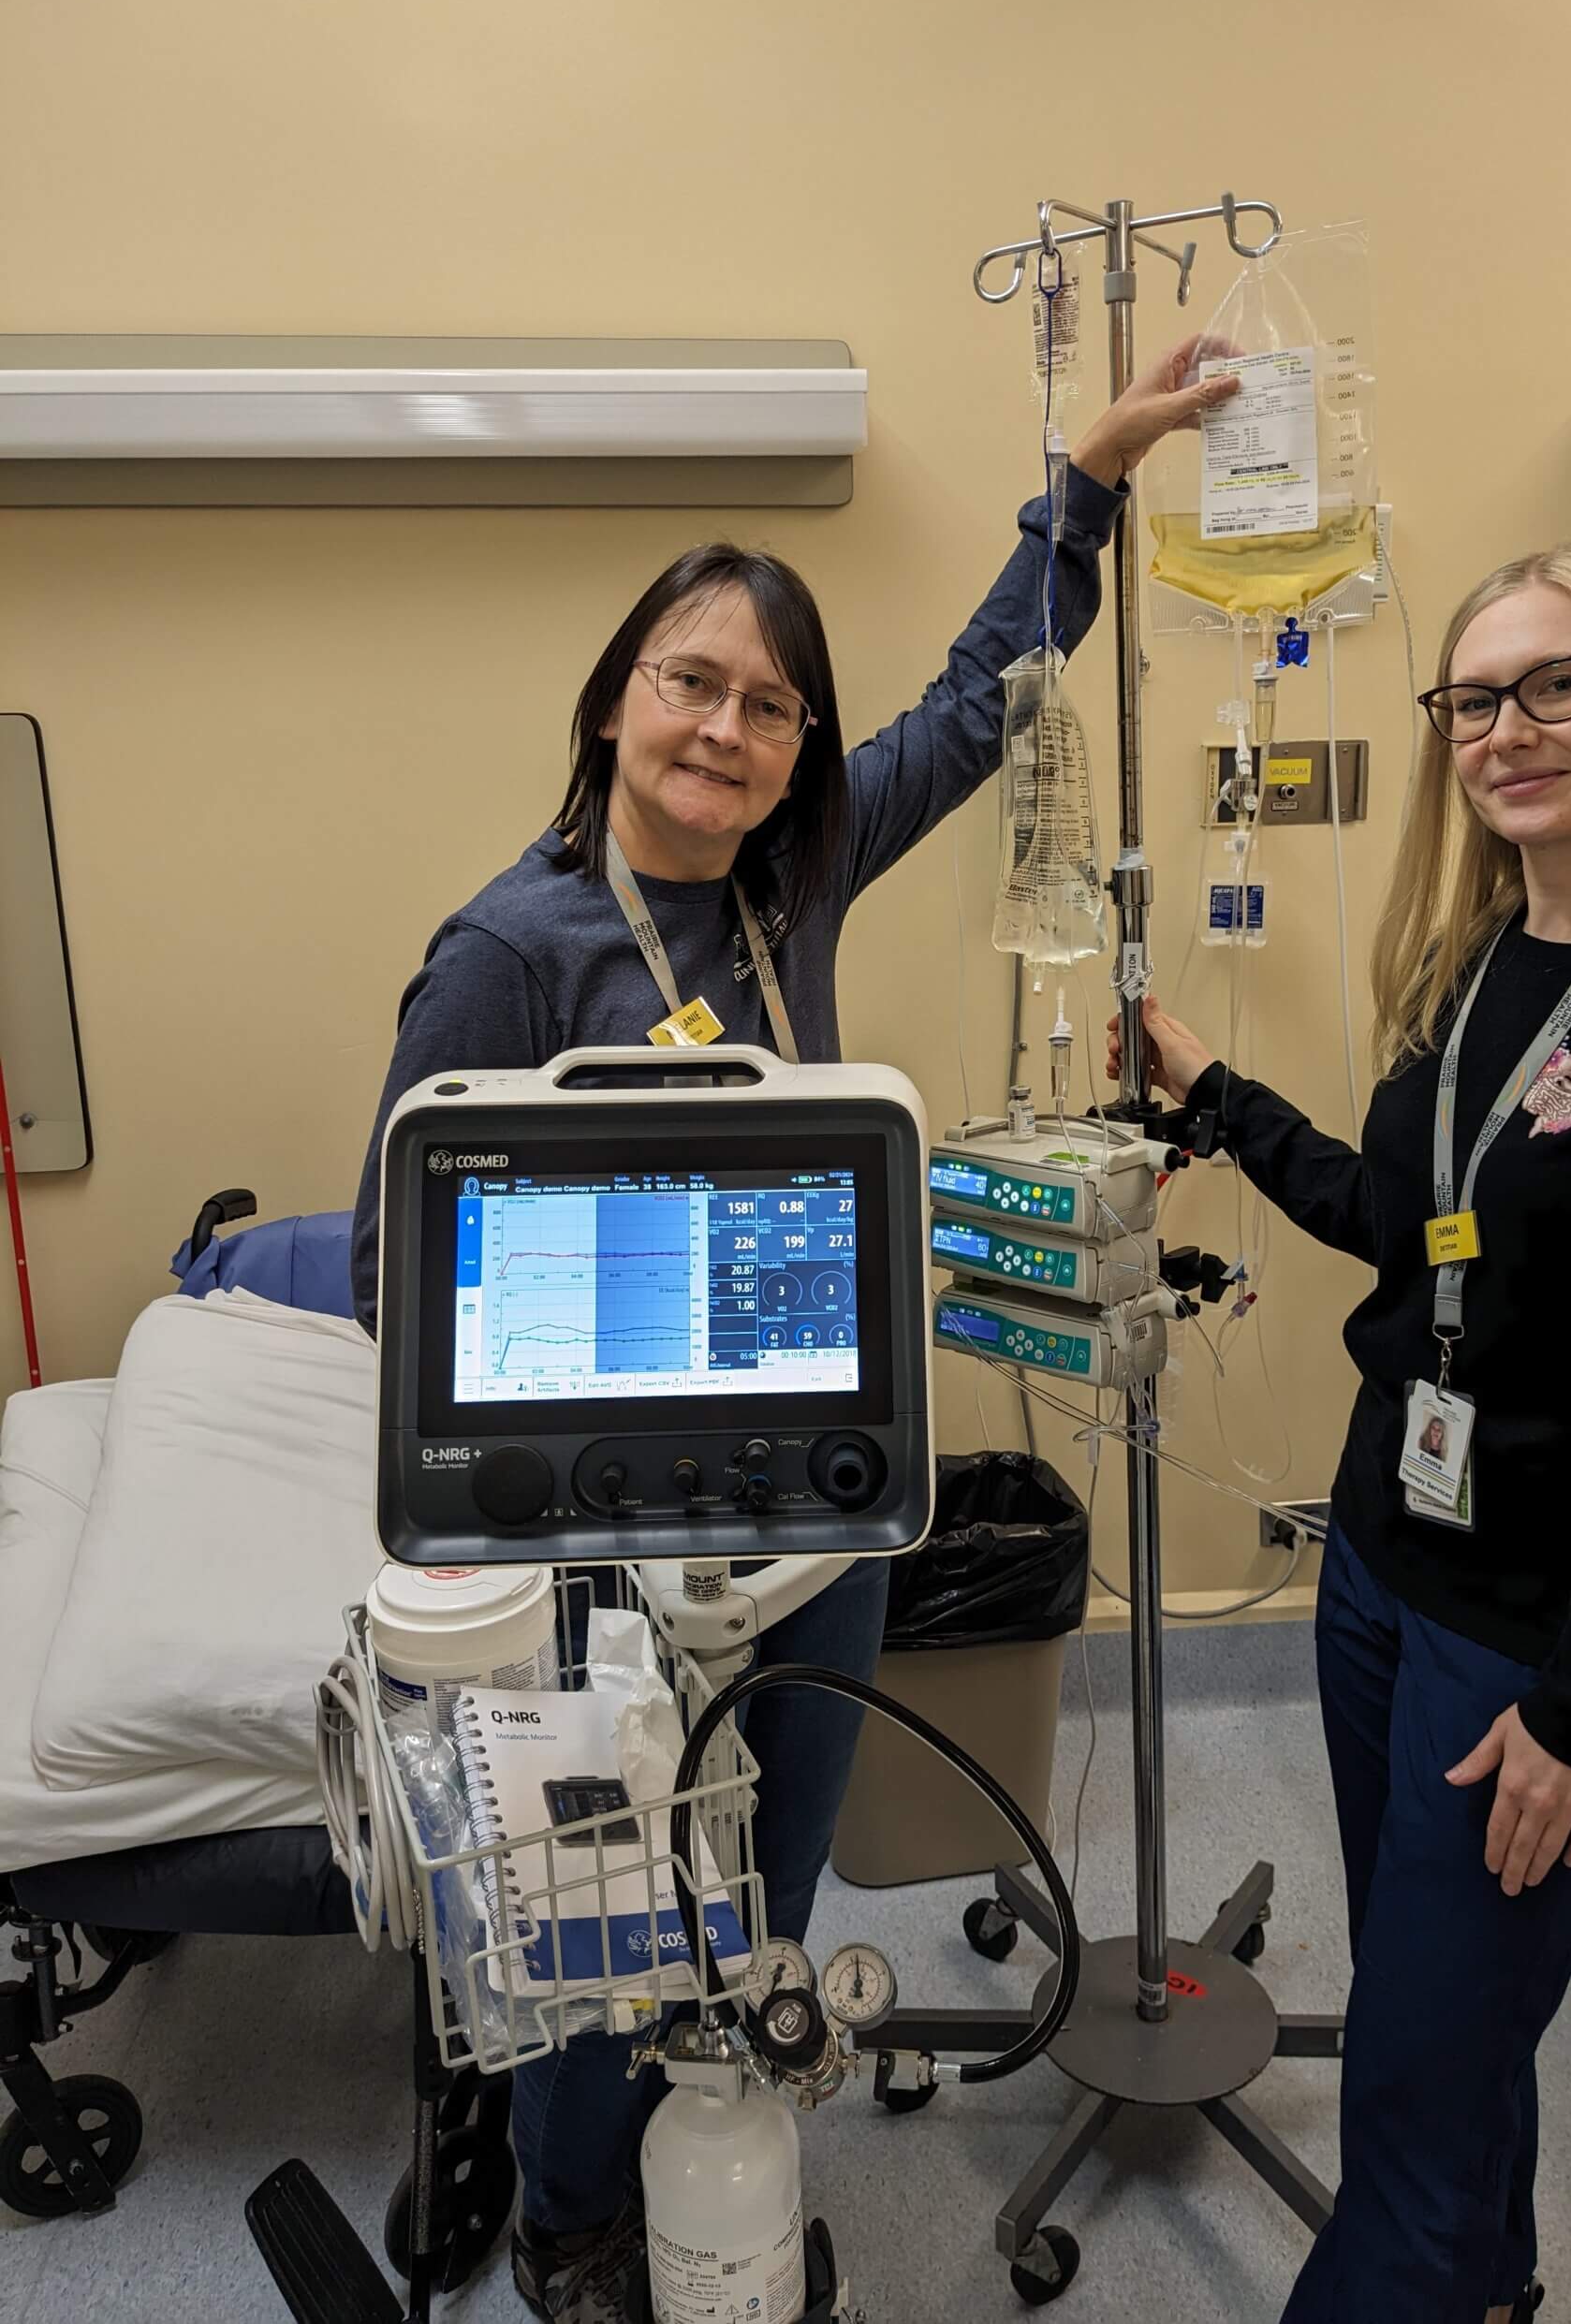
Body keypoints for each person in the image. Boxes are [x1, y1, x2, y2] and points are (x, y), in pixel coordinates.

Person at [350, 334, 1238, 2324]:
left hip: (810, 1532)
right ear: (611, 699)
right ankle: (578, 2212)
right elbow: (404, 1282)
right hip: (595, 1560)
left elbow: (978, 702)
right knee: (603, 1923)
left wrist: (1085, 479)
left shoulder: (795, 880)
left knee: (752, 1888)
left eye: (771, 702)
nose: (730, 727)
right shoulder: (511, 952)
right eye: (693, 679)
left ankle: (718, 2151)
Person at [1113, 542, 1571, 2322]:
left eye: (1560, 682)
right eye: (1477, 698)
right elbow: (1411, 1219)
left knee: (1409, 2095)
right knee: (1448, 2017)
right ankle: (1494, 2288)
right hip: (1381, 1569)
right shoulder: (1479, 962)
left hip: (1534, 1640)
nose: (1509, 728)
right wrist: (1215, 1102)